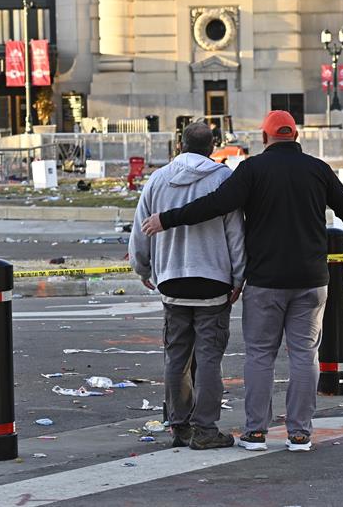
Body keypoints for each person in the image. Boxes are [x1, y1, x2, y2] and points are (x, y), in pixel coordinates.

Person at [141, 110, 343, 452]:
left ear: (265, 138)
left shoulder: (252, 170)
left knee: (260, 355)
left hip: (265, 281)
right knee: (305, 354)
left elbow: (215, 206)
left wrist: (166, 220)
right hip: (311, 280)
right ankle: (300, 433)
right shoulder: (318, 169)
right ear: (295, 136)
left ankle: (256, 432)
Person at [129, 121, 246, 450]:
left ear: (179, 145)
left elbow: (141, 229)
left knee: (176, 356)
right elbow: (235, 234)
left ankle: (179, 426)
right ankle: (206, 429)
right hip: (213, 280)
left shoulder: (158, 179)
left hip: (172, 280)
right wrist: (239, 277)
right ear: (212, 147)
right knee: (209, 357)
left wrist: (142, 267)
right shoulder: (223, 179)